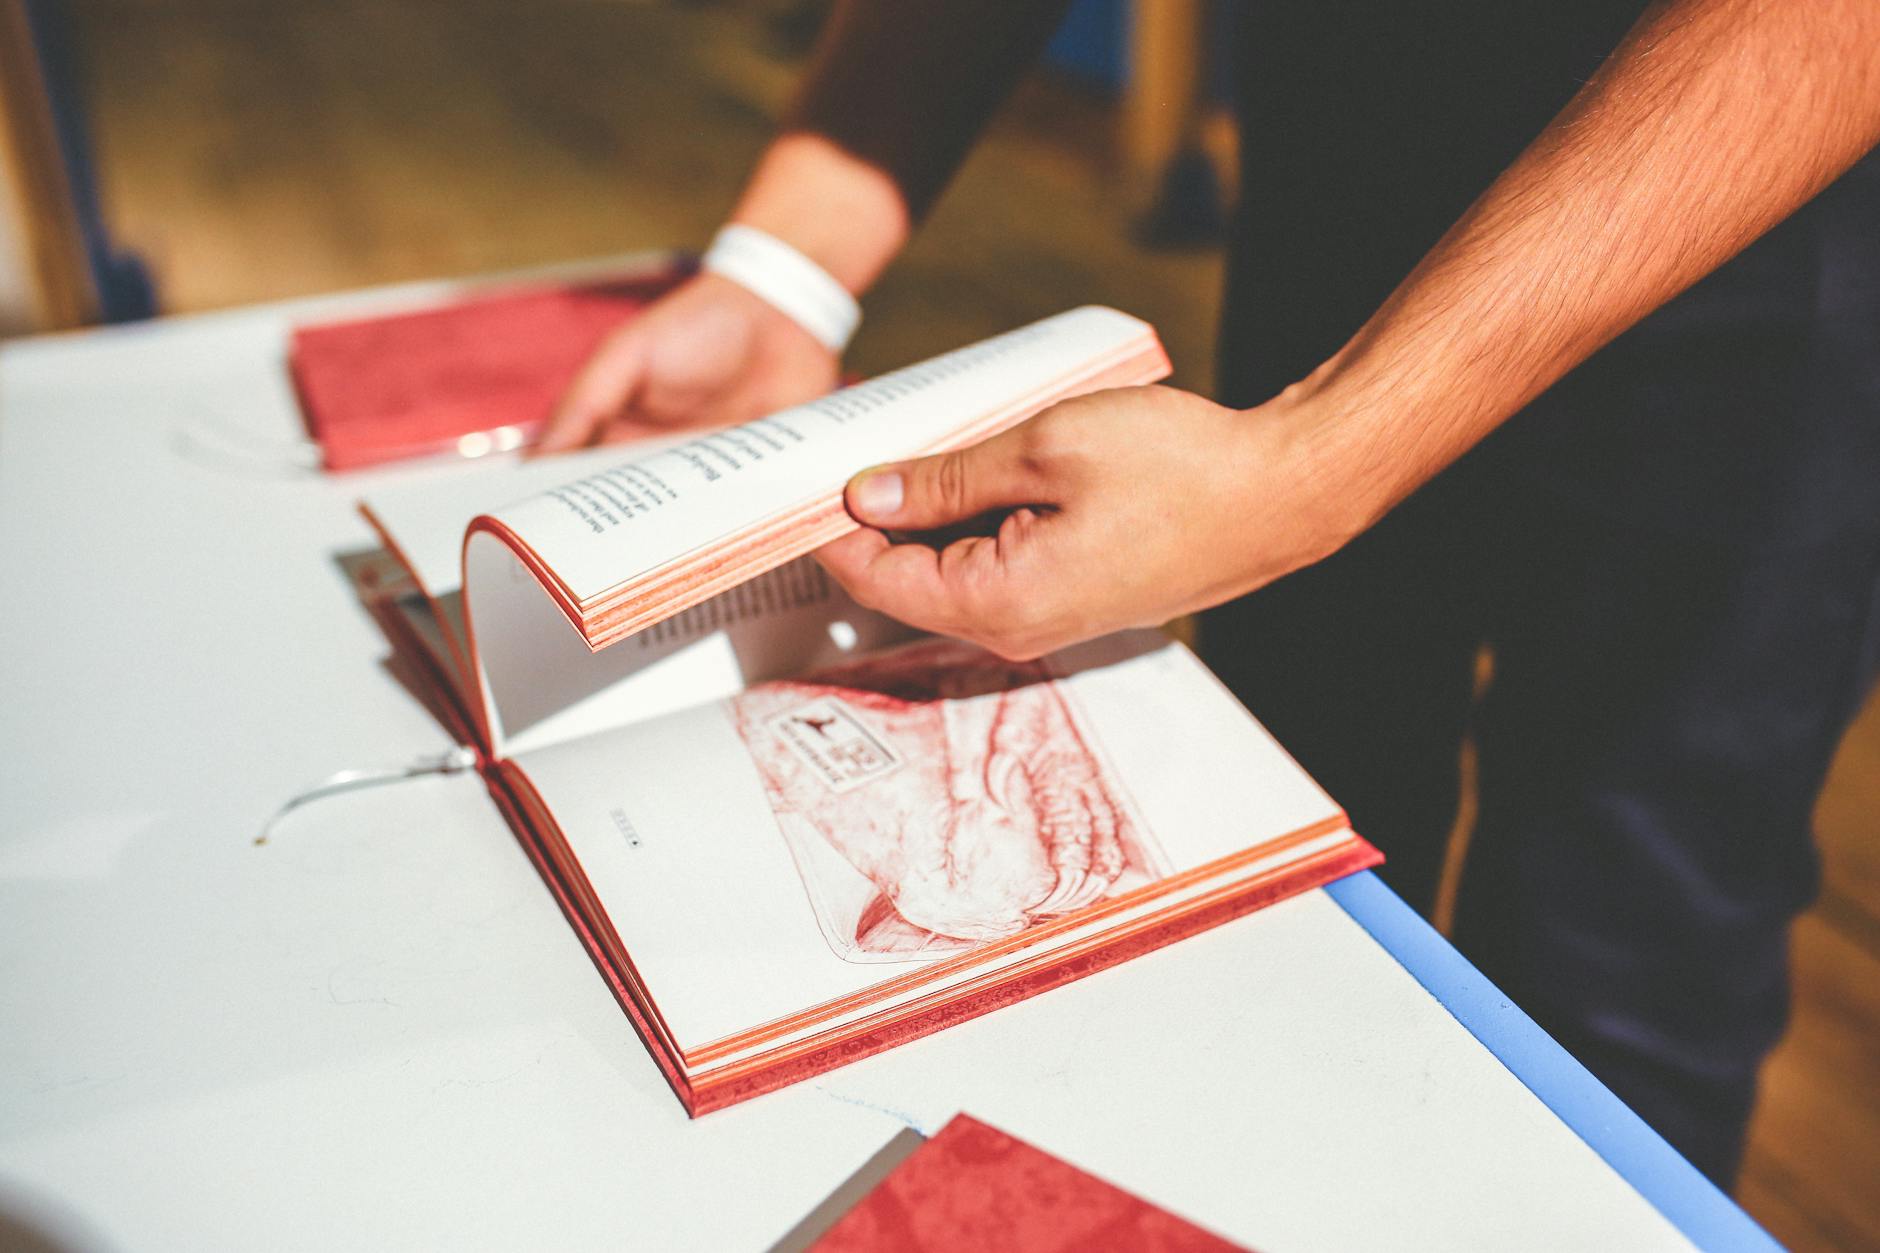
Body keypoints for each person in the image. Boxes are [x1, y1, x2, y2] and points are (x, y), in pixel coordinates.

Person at [540, 0, 1880, 1185]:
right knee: (1285, 823)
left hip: (1760, 201)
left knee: (1623, 938)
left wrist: (1316, 461)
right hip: (1352, 130)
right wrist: (792, 269)